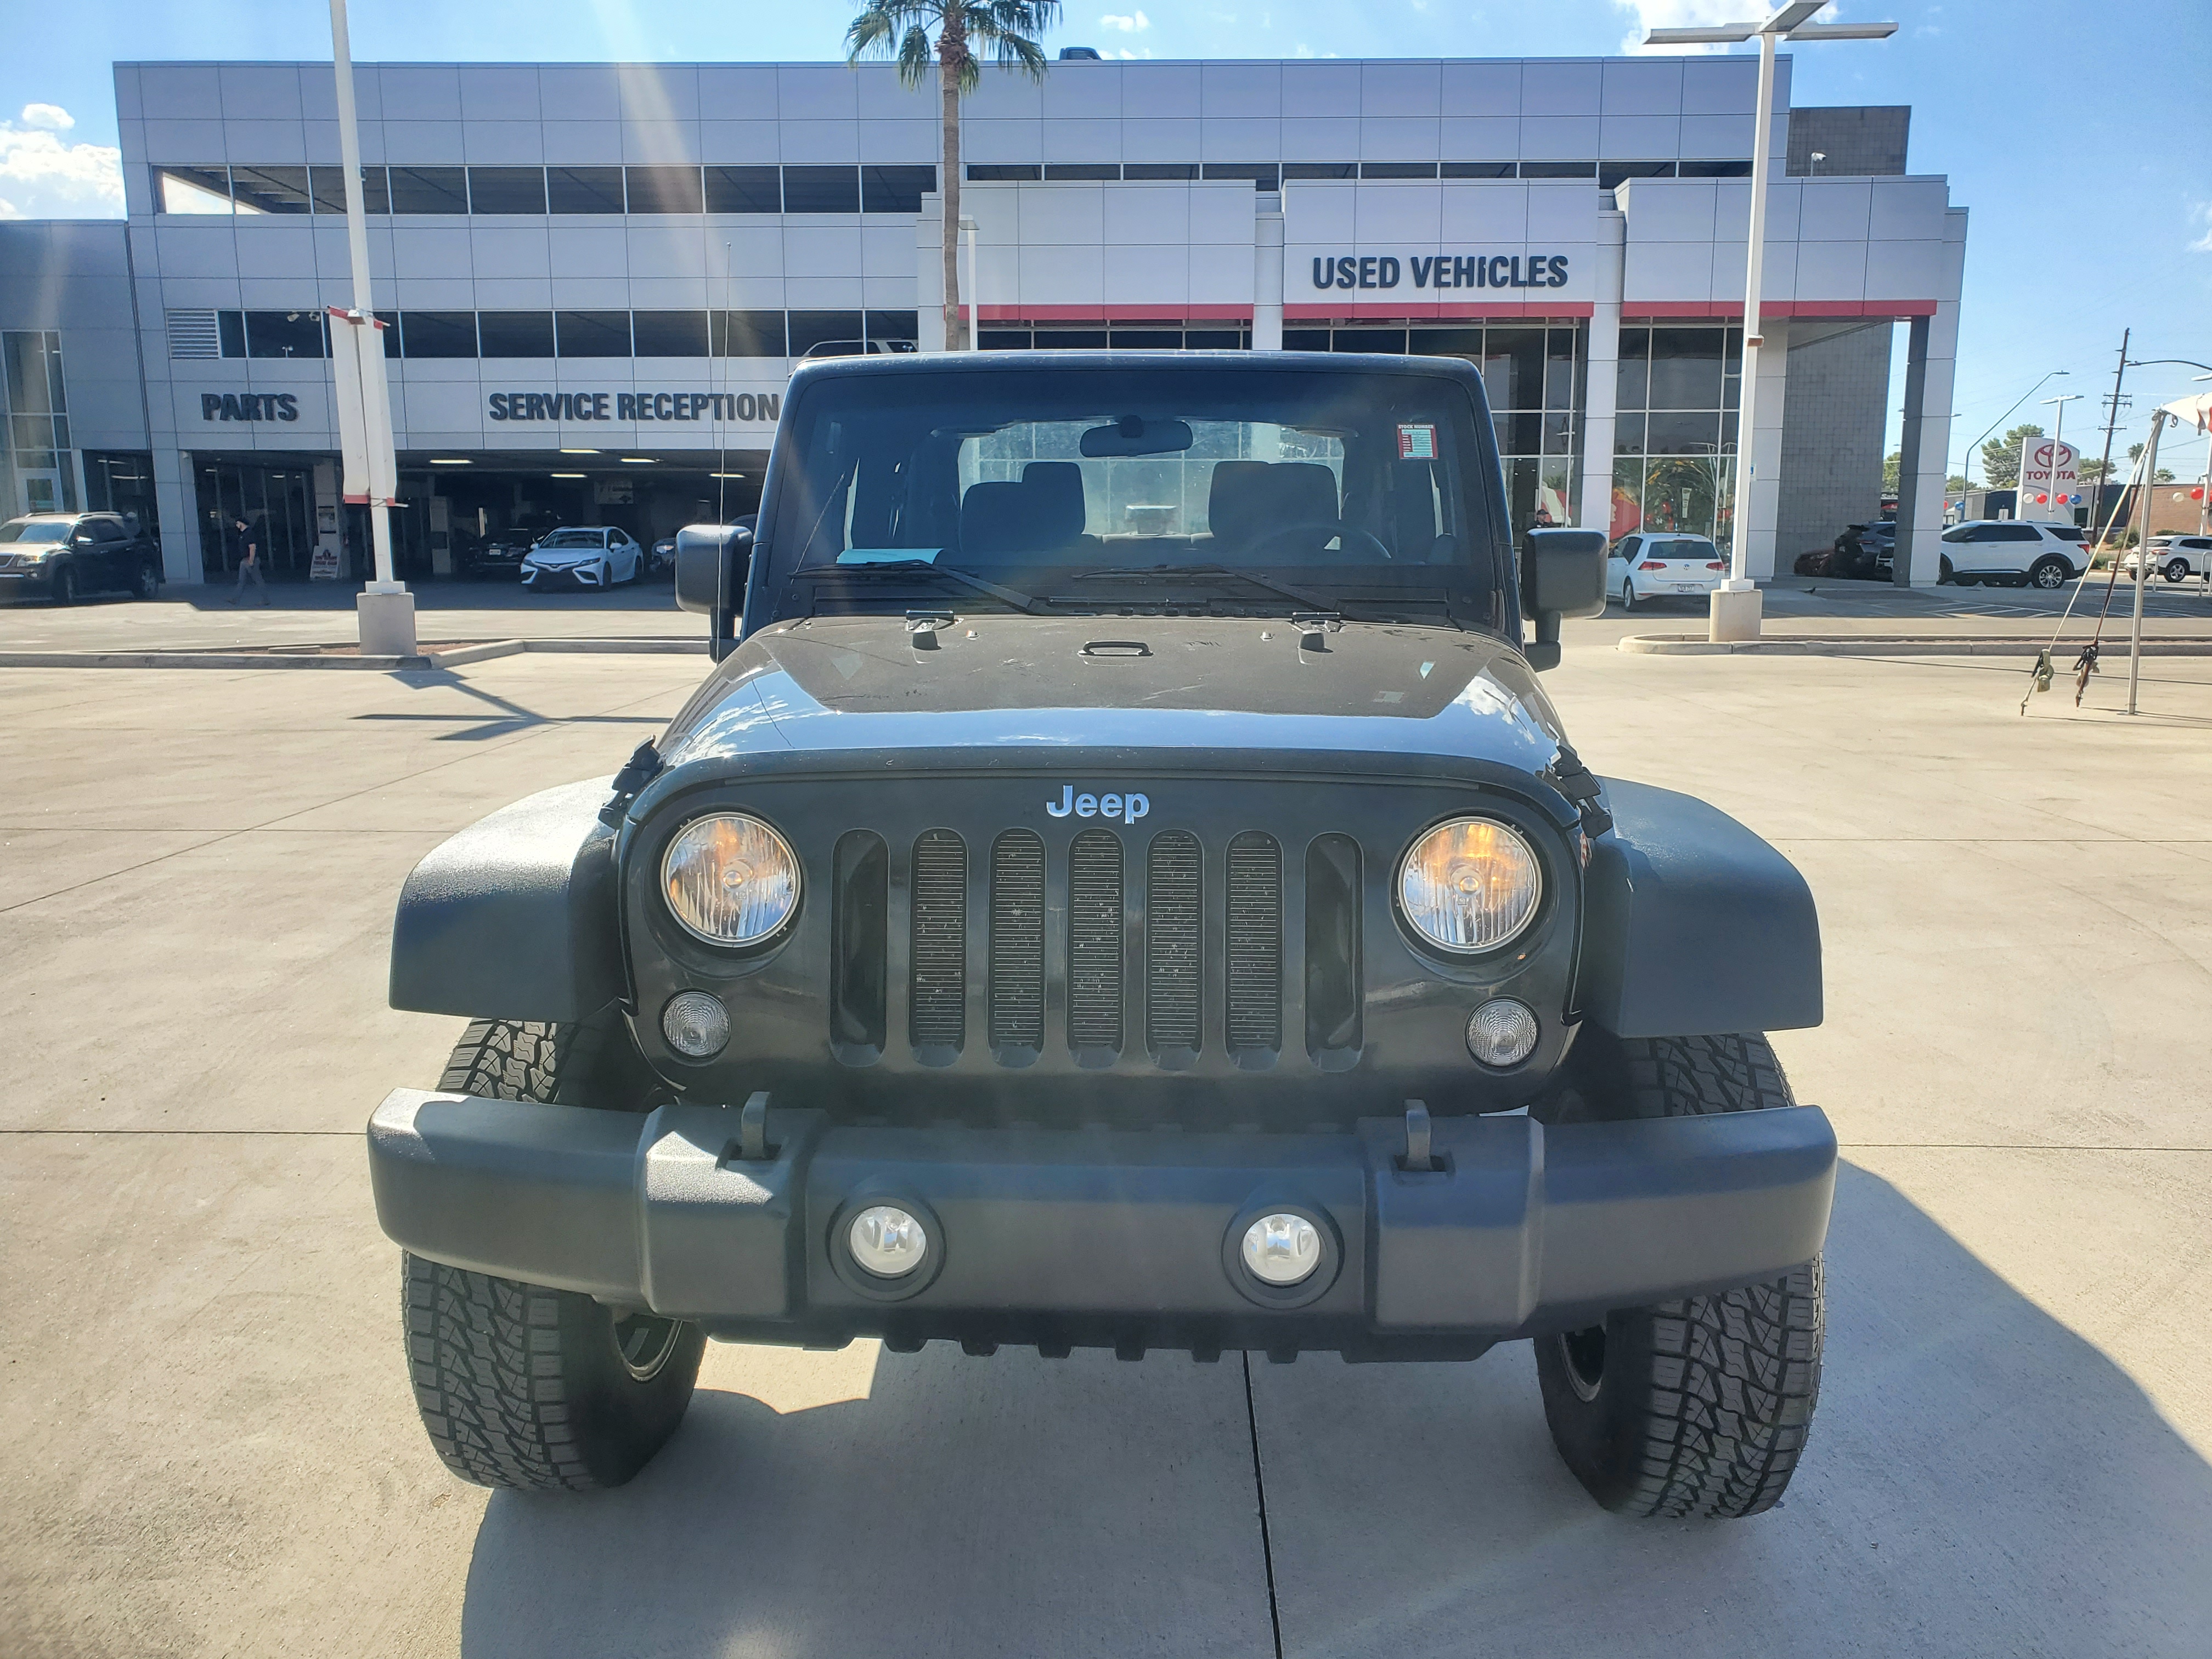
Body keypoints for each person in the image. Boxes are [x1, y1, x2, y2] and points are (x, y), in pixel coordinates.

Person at [225, 517, 269, 606]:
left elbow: (252, 547)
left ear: (242, 523)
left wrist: (251, 560)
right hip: (244, 560)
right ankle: (235, 599)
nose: (237, 526)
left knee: (258, 580)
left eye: (238, 523)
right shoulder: (243, 534)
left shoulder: (249, 533)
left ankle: (265, 599)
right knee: (241, 581)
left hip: (250, 560)